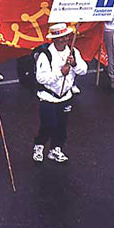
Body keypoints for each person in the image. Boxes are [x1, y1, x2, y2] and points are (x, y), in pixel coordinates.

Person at [32, 23, 87, 163]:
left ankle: (56, 149)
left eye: (66, 36)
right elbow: (41, 78)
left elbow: (84, 70)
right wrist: (59, 73)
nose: (65, 40)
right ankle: (39, 145)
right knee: (49, 124)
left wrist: (74, 64)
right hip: (48, 97)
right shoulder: (45, 55)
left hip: (66, 97)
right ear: (54, 39)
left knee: (62, 125)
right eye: (61, 37)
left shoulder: (73, 52)